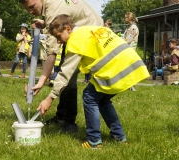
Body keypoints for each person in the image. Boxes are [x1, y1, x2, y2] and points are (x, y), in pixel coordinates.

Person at [37, 14, 150, 148]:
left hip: (116, 68)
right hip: (132, 64)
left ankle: (94, 140)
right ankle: (119, 137)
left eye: (58, 36)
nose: (58, 41)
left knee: (89, 96)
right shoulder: (90, 29)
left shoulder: (75, 40)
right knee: (102, 99)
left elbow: (65, 73)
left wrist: (50, 98)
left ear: (68, 29)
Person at [19, 0, 104, 133]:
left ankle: (69, 123)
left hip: (90, 34)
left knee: (67, 76)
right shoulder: (50, 5)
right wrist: (45, 23)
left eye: (31, 6)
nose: (30, 12)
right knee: (62, 73)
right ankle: (61, 116)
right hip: (79, 32)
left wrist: (41, 82)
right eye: (27, 9)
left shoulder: (53, 9)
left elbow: (52, 52)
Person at [124, 12, 139, 91]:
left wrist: (121, 42)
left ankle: (131, 85)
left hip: (130, 49)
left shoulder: (133, 27)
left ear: (129, 18)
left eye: (125, 17)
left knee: (129, 67)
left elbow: (129, 39)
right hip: (127, 49)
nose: (124, 19)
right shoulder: (129, 26)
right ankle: (128, 84)